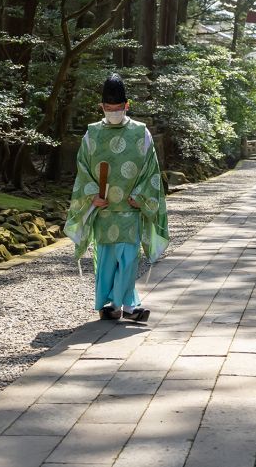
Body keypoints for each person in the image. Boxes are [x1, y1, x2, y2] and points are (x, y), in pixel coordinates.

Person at [66, 74, 169, 323]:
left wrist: (141, 196)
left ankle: (124, 305)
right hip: (104, 209)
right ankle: (113, 304)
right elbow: (83, 170)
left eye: (118, 108)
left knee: (129, 259)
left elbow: (150, 170)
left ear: (127, 105)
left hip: (131, 209)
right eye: (109, 108)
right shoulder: (92, 134)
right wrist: (92, 195)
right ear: (102, 107)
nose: (113, 112)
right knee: (107, 260)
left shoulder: (141, 133)